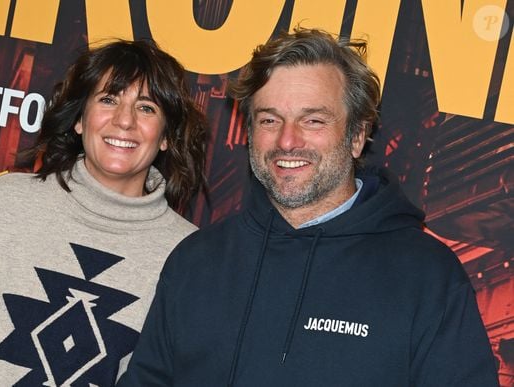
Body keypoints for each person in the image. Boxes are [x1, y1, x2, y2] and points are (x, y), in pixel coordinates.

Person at [119, 28, 498, 386]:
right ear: (249, 131)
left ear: (357, 136)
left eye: (313, 120)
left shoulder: (426, 275)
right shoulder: (197, 259)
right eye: (270, 119)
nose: (287, 141)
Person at [0, 39, 207, 386]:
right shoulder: (8, 202)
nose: (124, 121)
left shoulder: (187, 253)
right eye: (108, 99)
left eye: (146, 107)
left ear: (166, 136)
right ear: (79, 119)